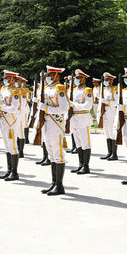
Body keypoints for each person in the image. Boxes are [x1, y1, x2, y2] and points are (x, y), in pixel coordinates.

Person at [37, 65, 69, 196]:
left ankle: (59, 185)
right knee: (51, 153)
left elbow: (63, 108)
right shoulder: (46, 88)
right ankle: (53, 183)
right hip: (47, 122)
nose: (48, 77)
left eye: (50, 75)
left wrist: (46, 109)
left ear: (56, 76)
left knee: (58, 153)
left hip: (56, 123)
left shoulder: (59, 88)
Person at [0, 70, 21, 181]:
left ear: (13, 79)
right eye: (5, 78)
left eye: (8, 78)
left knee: (12, 146)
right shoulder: (3, 89)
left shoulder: (15, 91)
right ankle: (9, 170)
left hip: (11, 120)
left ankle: (14, 172)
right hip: (3, 119)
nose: (6, 80)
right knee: (7, 146)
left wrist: (1, 106)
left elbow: (14, 108)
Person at [68, 69, 94, 175]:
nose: (76, 80)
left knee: (85, 143)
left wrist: (73, 104)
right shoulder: (73, 90)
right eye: (76, 78)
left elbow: (87, 106)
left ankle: (86, 166)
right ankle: (80, 164)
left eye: (79, 78)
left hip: (83, 117)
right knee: (78, 143)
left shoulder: (87, 91)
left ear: (83, 79)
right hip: (74, 118)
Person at [99, 73, 119, 161]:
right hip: (104, 112)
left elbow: (117, 102)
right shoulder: (103, 89)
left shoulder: (114, 89)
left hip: (111, 111)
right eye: (105, 80)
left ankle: (114, 154)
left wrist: (107, 102)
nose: (105, 81)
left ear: (111, 81)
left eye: (107, 80)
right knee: (106, 132)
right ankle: (109, 152)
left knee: (112, 132)